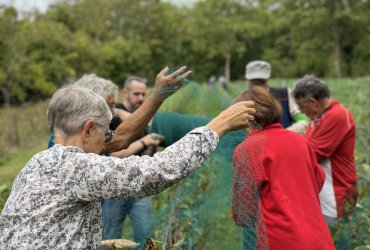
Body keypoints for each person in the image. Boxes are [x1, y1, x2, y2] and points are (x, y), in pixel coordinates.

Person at [0, 66, 256, 249]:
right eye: (105, 130)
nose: (110, 139)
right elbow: (154, 173)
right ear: (88, 129)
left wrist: (99, 244)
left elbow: (40, 233)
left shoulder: (37, 163)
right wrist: (218, 125)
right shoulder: (75, 166)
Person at [231, 86, 335, 249]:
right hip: (319, 238)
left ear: (244, 117)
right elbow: (318, 181)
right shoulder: (300, 140)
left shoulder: (248, 149)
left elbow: (243, 210)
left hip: (281, 241)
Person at [102, 76, 164, 244]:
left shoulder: (142, 116)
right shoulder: (112, 117)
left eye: (144, 94)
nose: (141, 98)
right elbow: (114, 154)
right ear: (125, 93)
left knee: (144, 235)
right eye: (136, 94)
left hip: (140, 188)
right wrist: (145, 141)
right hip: (115, 188)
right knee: (110, 237)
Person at [292, 75, 357, 228]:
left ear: (313, 102)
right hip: (324, 192)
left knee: (335, 239)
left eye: (302, 108)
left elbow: (313, 153)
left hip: (336, 193)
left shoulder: (337, 115)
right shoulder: (319, 117)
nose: (303, 112)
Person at [245, 60, 308, 134]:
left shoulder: (285, 94)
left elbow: (304, 120)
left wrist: (282, 134)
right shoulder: (242, 101)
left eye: (261, 81)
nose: (258, 84)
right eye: (254, 81)